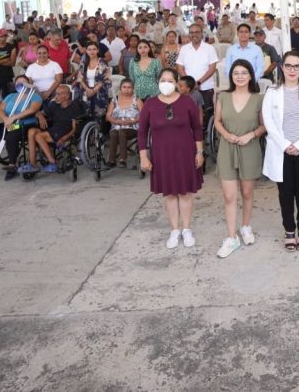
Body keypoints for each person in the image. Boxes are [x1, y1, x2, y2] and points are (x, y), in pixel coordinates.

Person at [138, 68, 205, 250]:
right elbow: (142, 132)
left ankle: (186, 228)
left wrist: (199, 152)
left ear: (176, 82)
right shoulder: (151, 104)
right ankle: (174, 229)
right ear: (158, 82)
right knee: (169, 193)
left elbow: (197, 128)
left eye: (170, 80)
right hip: (161, 155)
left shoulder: (187, 102)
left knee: (184, 192)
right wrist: (143, 156)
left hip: (185, 153)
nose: (165, 83)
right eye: (162, 80)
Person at [213, 59, 266, 258]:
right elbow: (217, 121)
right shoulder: (223, 97)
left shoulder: (258, 98)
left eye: (244, 72)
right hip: (227, 148)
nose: (240, 76)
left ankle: (245, 226)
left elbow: (264, 125)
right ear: (231, 76)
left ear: (251, 76)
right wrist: (226, 135)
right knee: (229, 195)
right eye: (236, 73)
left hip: (249, 148)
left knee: (247, 192)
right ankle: (231, 237)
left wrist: (251, 135)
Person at [26, 84, 84, 174]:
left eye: (59, 94)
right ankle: (32, 163)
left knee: (38, 136)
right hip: (54, 130)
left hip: (65, 131)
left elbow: (74, 129)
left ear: (67, 96)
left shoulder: (74, 107)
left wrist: (64, 138)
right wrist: (40, 116)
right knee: (31, 131)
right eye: (56, 94)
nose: (56, 97)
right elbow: (40, 112)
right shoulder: (54, 105)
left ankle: (52, 162)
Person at [0, 76, 43, 175]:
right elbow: (0, 110)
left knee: (11, 136)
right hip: (9, 123)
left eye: (23, 82)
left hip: (25, 124)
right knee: (0, 135)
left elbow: (33, 109)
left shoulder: (34, 96)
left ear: (28, 84)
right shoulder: (10, 96)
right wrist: (6, 119)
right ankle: (9, 155)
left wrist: (14, 117)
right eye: (18, 82)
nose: (21, 85)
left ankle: (12, 164)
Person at [175, 24, 218, 113]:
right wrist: (190, 84)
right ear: (189, 34)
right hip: (187, 89)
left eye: (197, 32)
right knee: (187, 114)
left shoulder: (210, 48)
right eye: (191, 32)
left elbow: (212, 69)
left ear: (202, 34)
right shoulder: (184, 49)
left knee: (207, 114)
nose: (194, 34)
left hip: (206, 88)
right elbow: (179, 67)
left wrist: (198, 83)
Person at [106, 78, 141, 168]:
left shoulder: (137, 100)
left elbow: (144, 115)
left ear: (133, 89)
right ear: (120, 88)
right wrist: (116, 121)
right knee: (113, 133)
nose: (126, 89)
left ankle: (123, 159)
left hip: (132, 127)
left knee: (122, 132)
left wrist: (132, 121)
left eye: (129, 87)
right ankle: (112, 160)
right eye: (124, 87)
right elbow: (108, 116)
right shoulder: (115, 99)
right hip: (117, 126)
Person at [74, 41, 112, 119]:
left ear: (98, 50)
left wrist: (94, 90)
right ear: (86, 51)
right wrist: (88, 89)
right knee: (87, 116)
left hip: (99, 93)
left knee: (99, 117)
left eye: (94, 49)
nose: (92, 51)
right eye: (89, 49)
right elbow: (80, 78)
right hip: (86, 92)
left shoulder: (102, 62)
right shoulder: (83, 62)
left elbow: (106, 78)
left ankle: (100, 130)